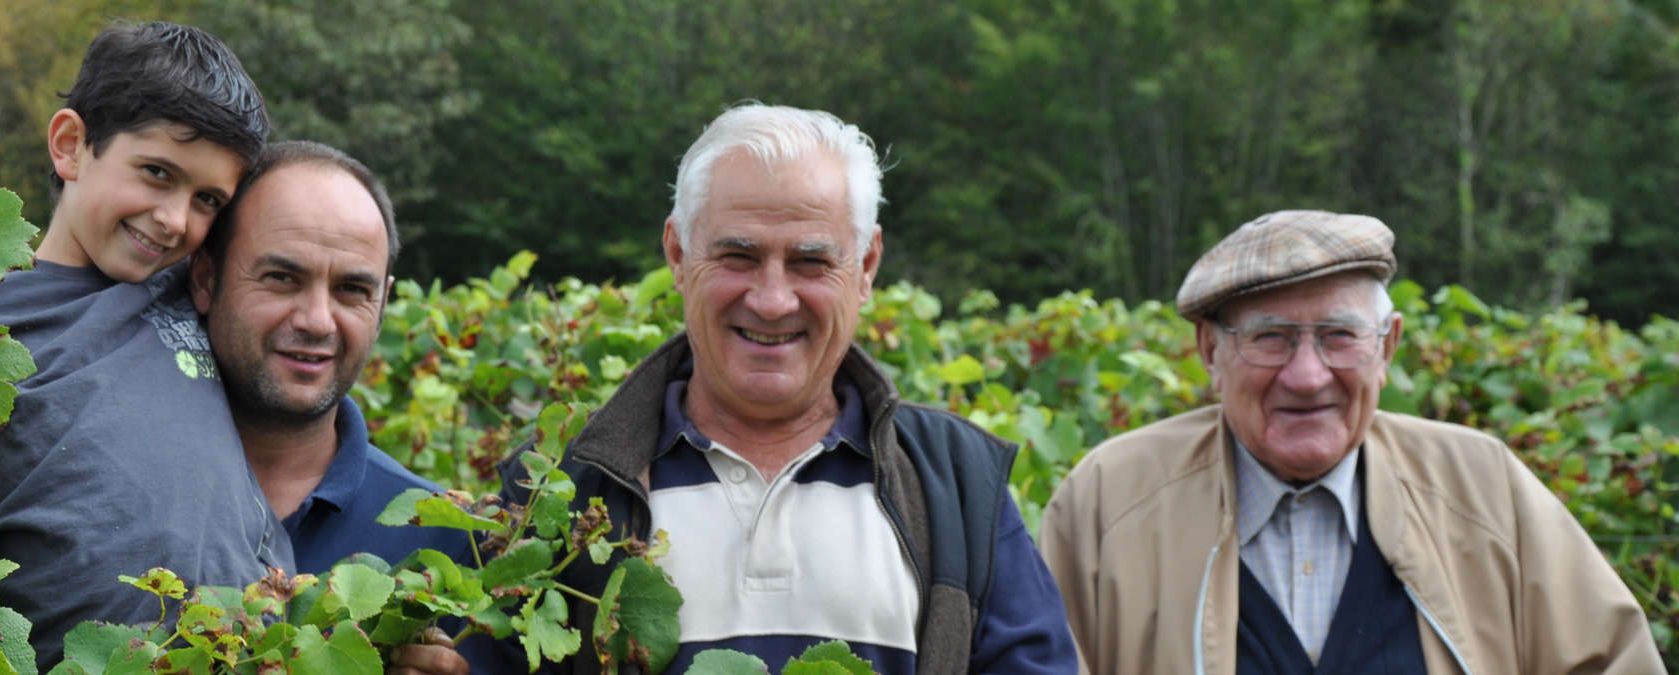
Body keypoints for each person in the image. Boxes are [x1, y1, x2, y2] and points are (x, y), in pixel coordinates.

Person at [469, 103, 1079, 674]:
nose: (771, 299)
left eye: (811, 262)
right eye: (738, 256)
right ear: (678, 255)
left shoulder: (960, 484)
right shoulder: (557, 487)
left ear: (865, 267)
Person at [1038, 210, 1661, 673]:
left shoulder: (1482, 484)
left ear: (1385, 347)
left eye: (1339, 336)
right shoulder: (1110, 499)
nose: (1307, 376)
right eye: (1270, 337)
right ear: (1211, 350)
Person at [0, 21, 293, 669]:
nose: (176, 219)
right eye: (156, 172)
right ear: (70, 145)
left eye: (207, 199)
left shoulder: (197, 291)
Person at [190, 140, 468, 674]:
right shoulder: (125, 489)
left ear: (382, 304)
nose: (318, 320)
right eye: (282, 278)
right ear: (206, 278)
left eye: (351, 290)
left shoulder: (442, 539)